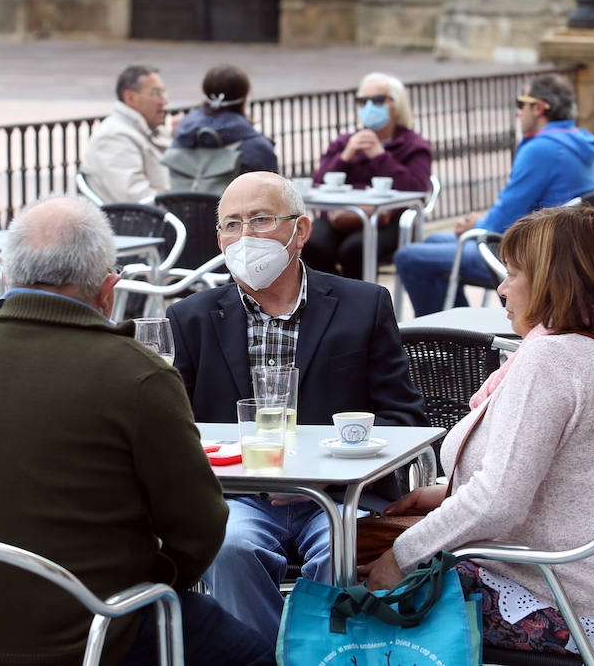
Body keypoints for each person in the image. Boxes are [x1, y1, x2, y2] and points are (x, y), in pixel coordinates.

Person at [0, 195, 272, 666]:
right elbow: (201, 526)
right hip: (98, 630)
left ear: (6, 278)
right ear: (109, 290)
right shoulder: (137, 373)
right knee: (257, 655)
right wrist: (155, 582)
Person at [363, 206, 594, 657]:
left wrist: (401, 556)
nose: (502, 288)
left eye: (513, 274)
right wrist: (450, 491)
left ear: (553, 281)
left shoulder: (552, 360)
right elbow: (570, 474)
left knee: (342, 573)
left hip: (563, 598)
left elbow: (498, 502)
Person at [168, 171, 426, 644]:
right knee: (228, 546)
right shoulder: (190, 317)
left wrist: (328, 465)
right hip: (240, 498)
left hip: (340, 498)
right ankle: (264, 656)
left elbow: (404, 418)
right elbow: (174, 428)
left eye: (261, 219)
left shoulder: (363, 305)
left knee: (340, 549)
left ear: (300, 231)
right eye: (231, 225)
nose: (245, 237)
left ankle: (332, 654)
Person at [394, 73, 594, 315]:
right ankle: (460, 328)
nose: (518, 112)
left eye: (521, 103)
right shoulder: (578, 139)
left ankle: (453, 340)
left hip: (530, 255)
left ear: (539, 108)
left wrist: (476, 224)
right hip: (555, 247)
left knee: (409, 257)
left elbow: (500, 223)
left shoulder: (541, 148)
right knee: (432, 242)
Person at [301, 72, 431, 280]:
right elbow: (317, 183)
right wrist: (346, 155)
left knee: (354, 249)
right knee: (311, 244)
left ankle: (361, 305)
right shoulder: (344, 142)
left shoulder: (414, 146)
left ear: (396, 105)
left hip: (389, 221)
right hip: (340, 217)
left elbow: (417, 190)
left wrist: (380, 156)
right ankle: (335, 299)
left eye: (378, 100)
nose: (369, 107)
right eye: (363, 101)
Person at [80, 64, 173, 203]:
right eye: (156, 93)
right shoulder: (114, 136)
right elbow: (136, 199)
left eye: (163, 93)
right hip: (142, 221)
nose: (165, 101)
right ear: (130, 98)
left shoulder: (148, 127)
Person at [169, 63, 278, 174]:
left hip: (185, 191)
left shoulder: (184, 133)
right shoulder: (258, 148)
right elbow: (272, 188)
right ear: (244, 100)